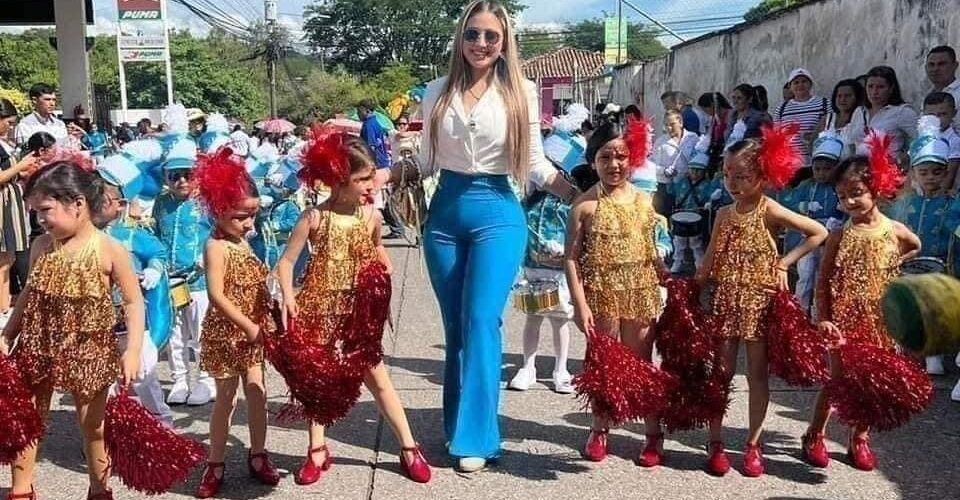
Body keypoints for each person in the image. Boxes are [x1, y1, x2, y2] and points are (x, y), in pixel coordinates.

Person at [392, 0, 579, 473]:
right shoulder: (436, 90)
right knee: (456, 325)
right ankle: (457, 426)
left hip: (498, 212)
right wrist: (385, 174)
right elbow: (427, 161)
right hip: (445, 215)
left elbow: (534, 164)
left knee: (480, 319)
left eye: (491, 36)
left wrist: (578, 194)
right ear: (461, 38)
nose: (480, 43)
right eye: (472, 34)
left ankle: (479, 436)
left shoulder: (521, 90)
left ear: (504, 42)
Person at [277, 130, 431, 486]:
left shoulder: (370, 217)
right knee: (319, 381)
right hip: (320, 309)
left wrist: (383, 270)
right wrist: (288, 295)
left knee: (378, 378)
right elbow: (286, 262)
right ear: (338, 179)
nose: (371, 185)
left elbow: (376, 249)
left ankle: (408, 446)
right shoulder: (314, 218)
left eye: (372, 177)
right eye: (362, 179)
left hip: (359, 313)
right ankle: (317, 448)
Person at [1, 161, 145, 500]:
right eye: (35, 212)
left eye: (45, 210)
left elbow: (133, 302)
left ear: (77, 204)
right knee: (26, 419)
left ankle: (99, 488)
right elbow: (28, 294)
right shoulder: (41, 246)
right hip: (37, 344)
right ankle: (21, 489)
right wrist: (8, 333)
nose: (39, 219)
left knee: (93, 425)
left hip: (89, 349)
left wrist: (133, 349)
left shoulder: (109, 249)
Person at [695, 126, 827, 477]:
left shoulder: (770, 209)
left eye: (742, 176)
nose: (732, 183)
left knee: (756, 375)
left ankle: (753, 443)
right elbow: (709, 259)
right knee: (721, 374)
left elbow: (818, 232)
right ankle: (715, 441)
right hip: (726, 302)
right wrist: (690, 290)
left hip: (759, 303)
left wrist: (784, 263)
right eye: (727, 174)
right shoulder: (723, 214)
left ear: (763, 176)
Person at [801, 150, 920, 472]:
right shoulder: (839, 235)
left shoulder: (894, 231)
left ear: (876, 188)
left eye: (856, 193)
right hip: (843, 324)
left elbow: (915, 246)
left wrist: (893, 264)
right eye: (842, 196)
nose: (849, 202)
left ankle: (859, 438)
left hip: (881, 323)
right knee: (836, 383)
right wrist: (824, 318)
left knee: (871, 382)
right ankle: (814, 434)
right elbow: (823, 281)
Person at [564, 115, 667, 466]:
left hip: (640, 294)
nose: (614, 164)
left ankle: (652, 433)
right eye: (605, 157)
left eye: (621, 156)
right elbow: (571, 259)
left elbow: (651, 250)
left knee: (642, 364)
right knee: (602, 366)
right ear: (593, 160)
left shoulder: (644, 202)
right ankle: (599, 428)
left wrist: (667, 276)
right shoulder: (584, 206)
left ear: (632, 158)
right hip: (601, 296)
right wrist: (580, 305)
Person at [189, 150, 279, 498]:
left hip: (253, 334)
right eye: (241, 216)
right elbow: (216, 295)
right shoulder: (216, 246)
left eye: (253, 215)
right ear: (218, 211)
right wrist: (248, 326)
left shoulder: (243, 243)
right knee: (225, 399)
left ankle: (258, 453)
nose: (249, 223)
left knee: (257, 392)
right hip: (226, 334)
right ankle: (215, 462)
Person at [96, 180, 174, 426]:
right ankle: (110, 430)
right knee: (104, 381)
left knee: (143, 374)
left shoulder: (131, 234)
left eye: (102, 199)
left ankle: (163, 426)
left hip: (132, 319)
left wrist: (154, 269)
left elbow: (158, 252)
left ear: (120, 204)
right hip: (96, 323)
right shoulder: (82, 237)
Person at [887, 117, 960, 376]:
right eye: (924, 172)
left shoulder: (952, 204)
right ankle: (913, 354)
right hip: (908, 265)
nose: (930, 178)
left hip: (941, 266)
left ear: (946, 173)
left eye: (937, 172)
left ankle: (934, 356)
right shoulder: (905, 204)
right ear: (914, 173)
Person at [152, 141, 216, 406]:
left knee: (201, 332)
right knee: (174, 334)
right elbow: (156, 236)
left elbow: (221, 231)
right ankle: (179, 379)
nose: (181, 181)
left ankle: (206, 380)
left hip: (199, 281)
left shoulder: (207, 203)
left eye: (187, 175)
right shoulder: (160, 204)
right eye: (174, 176)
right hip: (170, 280)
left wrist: (208, 256)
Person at [508, 163, 574, 394]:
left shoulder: (568, 204)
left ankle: (561, 369)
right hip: (532, 269)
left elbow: (576, 234)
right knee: (533, 318)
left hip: (558, 272)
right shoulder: (529, 202)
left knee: (560, 320)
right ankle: (528, 367)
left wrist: (565, 249)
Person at [779, 130, 846, 312]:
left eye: (827, 169)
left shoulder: (840, 187)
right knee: (805, 274)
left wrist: (839, 219)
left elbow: (849, 209)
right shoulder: (806, 186)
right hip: (808, 238)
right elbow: (789, 202)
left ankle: (818, 314)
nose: (822, 173)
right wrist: (804, 206)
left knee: (822, 277)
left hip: (831, 239)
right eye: (818, 169)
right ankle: (800, 313)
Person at [0, 99, 39, 328]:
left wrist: (22, 172)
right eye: (8, 122)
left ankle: (5, 306)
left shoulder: (4, 143)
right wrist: (20, 165)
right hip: (2, 203)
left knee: (9, 257)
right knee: (3, 259)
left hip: (11, 201)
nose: (10, 127)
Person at [846, 66, 919, 166]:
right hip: (860, 170)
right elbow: (851, 144)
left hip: (887, 171)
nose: (874, 92)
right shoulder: (859, 111)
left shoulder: (902, 112)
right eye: (870, 86)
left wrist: (904, 158)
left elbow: (921, 140)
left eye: (880, 87)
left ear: (891, 88)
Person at [670, 135, 714, 273]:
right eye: (692, 169)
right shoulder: (682, 182)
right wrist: (671, 178)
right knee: (679, 242)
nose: (694, 173)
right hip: (681, 215)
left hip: (697, 217)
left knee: (696, 242)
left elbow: (710, 197)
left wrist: (709, 202)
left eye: (698, 170)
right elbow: (671, 191)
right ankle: (677, 263)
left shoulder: (707, 185)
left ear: (704, 172)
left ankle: (699, 264)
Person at [776, 68, 829, 166]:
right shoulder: (782, 108)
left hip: (817, 162)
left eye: (804, 81)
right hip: (790, 164)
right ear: (790, 86)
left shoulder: (824, 104)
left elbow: (831, 129)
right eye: (796, 82)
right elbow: (776, 135)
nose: (800, 85)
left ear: (810, 84)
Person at [651, 110, 698, 216]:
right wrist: (664, 171)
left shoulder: (692, 138)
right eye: (666, 125)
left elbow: (698, 159)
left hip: (688, 186)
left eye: (672, 124)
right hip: (666, 188)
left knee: (687, 216)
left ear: (680, 122)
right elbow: (652, 165)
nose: (669, 128)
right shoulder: (661, 142)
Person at [921, 92, 960, 192]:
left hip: (941, 193)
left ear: (954, 113)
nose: (936, 120)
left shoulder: (953, 140)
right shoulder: (922, 137)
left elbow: (950, 174)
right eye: (931, 115)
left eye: (942, 114)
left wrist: (937, 197)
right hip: (920, 190)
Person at [815, 79, 865, 155]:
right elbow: (812, 145)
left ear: (857, 97)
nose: (842, 99)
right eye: (839, 96)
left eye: (847, 96)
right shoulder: (827, 119)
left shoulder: (862, 118)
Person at [14, 83, 69, 149]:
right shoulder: (25, 126)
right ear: (34, 100)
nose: (52, 103)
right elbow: (25, 152)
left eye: (54, 100)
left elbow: (66, 148)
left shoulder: (60, 124)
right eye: (47, 99)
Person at [926, 45, 960, 132]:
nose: (935, 69)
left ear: (955, 65)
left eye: (941, 64)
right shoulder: (929, 94)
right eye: (931, 64)